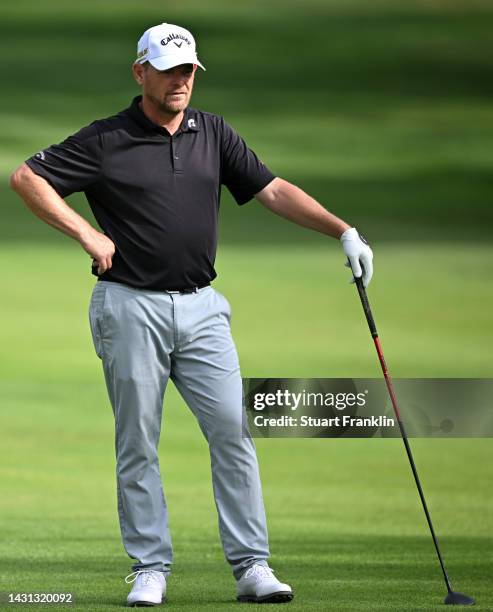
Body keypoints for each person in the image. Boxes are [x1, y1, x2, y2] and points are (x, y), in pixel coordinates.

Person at [10, 22, 373, 607]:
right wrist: (85, 233)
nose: (180, 82)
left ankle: (252, 566)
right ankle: (149, 568)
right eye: (169, 69)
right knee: (138, 442)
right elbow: (28, 177)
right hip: (129, 306)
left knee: (232, 430)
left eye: (188, 71)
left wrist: (343, 231)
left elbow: (272, 189)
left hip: (203, 309)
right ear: (140, 72)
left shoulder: (214, 133)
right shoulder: (107, 140)